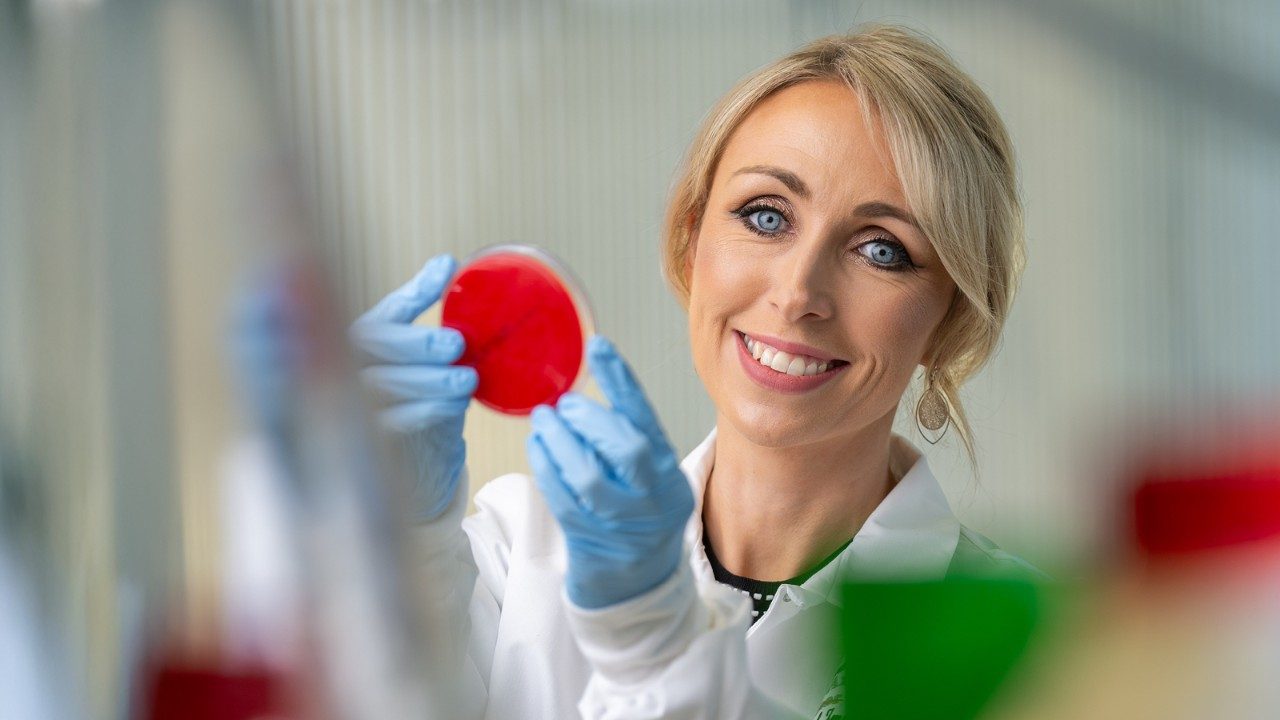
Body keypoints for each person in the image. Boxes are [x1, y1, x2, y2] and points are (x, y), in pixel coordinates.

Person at [350, 24, 1039, 719]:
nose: (799, 293)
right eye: (766, 215)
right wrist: (388, 540)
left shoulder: (1027, 652)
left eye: (883, 250)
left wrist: (657, 637)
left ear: (949, 323)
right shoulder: (517, 554)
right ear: (691, 243)